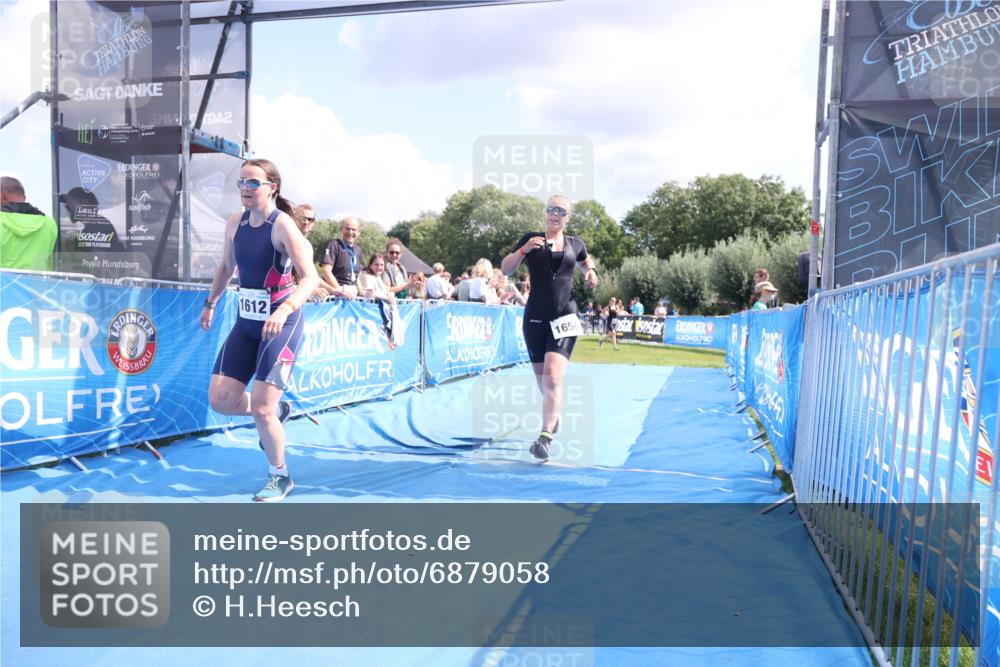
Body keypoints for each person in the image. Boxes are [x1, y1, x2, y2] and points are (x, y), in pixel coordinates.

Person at [199, 158, 320, 502]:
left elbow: (310, 278)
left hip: (281, 325)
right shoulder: (234, 223)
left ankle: (279, 476)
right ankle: (274, 410)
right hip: (247, 323)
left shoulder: (282, 226)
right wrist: (211, 302)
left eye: (253, 183)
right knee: (221, 400)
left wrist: (284, 309)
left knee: (262, 410)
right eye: (241, 183)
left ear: (272, 187)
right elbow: (226, 266)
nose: (245, 189)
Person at [500, 194, 598, 460]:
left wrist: (591, 272)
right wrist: (523, 250)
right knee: (543, 381)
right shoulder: (531, 239)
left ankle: (545, 437)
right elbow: (506, 269)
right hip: (534, 318)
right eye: (551, 209)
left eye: (562, 211)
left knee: (553, 376)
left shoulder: (576, 244)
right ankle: (554, 416)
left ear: (568, 217)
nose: (556, 214)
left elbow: (585, 262)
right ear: (545, 213)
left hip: (565, 316)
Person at [1, 176, 57, 270]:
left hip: (4, 284)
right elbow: (51, 261)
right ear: (24, 197)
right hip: (37, 283)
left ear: (1, 196)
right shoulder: (49, 223)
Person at [319, 217, 363, 299]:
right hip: (336, 296)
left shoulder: (358, 250)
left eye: (354, 229)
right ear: (342, 229)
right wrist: (340, 290)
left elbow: (356, 276)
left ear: (359, 232)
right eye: (347, 228)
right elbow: (326, 271)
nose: (350, 232)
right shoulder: (334, 245)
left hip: (351, 295)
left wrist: (362, 292)